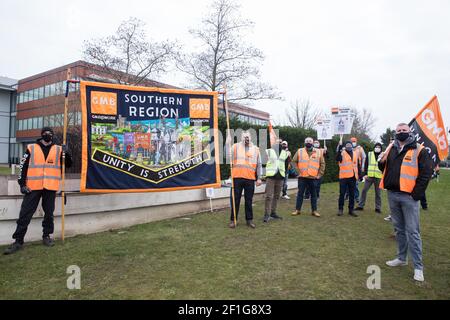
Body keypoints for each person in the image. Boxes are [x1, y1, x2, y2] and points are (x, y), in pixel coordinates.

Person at [4, 127, 72, 255]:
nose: (48, 135)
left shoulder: (58, 149)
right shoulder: (31, 148)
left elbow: (67, 164)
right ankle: (18, 241)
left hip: (50, 187)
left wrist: (66, 153)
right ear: (41, 135)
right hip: (33, 187)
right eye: (46, 134)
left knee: (49, 214)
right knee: (25, 214)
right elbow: (22, 167)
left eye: (50, 134)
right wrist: (22, 184)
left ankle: (46, 236)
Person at [378, 123, 432, 282]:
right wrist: (383, 158)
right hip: (393, 195)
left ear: (410, 132)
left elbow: (426, 173)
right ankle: (401, 258)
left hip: (409, 197)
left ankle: (418, 267)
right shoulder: (392, 148)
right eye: (399, 131)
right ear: (396, 133)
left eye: (404, 130)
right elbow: (385, 169)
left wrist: (416, 195)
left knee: (413, 232)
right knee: (399, 229)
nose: (401, 132)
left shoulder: (419, 149)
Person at [229, 131, 262, 229]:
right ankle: (233, 220)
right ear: (241, 138)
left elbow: (259, 164)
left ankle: (249, 220)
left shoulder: (256, 149)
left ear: (251, 138)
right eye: (244, 137)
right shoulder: (235, 147)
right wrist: (227, 143)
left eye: (248, 137)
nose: (246, 139)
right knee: (235, 200)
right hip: (237, 177)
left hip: (250, 178)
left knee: (249, 200)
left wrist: (259, 178)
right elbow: (228, 157)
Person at [291, 137, 325, 217]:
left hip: (313, 177)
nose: (308, 142)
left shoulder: (319, 152)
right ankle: (297, 210)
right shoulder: (300, 151)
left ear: (313, 143)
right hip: (302, 177)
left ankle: (314, 211)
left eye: (310, 141)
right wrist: (298, 172)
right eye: (307, 141)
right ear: (304, 142)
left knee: (314, 195)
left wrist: (319, 174)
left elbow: (322, 164)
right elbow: (293, 162)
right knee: (300, 194)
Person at [263, 139, 289, 223]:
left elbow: (286, 164)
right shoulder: (268, 151)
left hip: (280, 177)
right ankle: (267, 214)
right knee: (268, 196)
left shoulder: (285, 153)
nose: (279, 143)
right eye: (277, 141)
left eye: (281, 142)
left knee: (277, 196)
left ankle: (273, 213)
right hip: (271, 177)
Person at [355, 142, 383, 213]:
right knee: (364, 190)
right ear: (374, 147)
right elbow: (366, 164)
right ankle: (361, 206)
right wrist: (364, 174)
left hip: (378, 176)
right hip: (369, 176)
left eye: (379, 147)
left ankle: (378, 208)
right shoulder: (370, 154)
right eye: (376, 147)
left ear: (381, 149)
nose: (377, 148)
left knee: (378, 193)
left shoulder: (382, 155)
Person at [336, 138, 361, 217]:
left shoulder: (355, 153)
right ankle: (340, 209)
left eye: (350, 145)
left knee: (352, 194)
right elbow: (337, 158)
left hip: (353, 177)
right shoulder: (342, 153)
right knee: (342, 194)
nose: (349, 146)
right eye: (347, 145)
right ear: (345, 146)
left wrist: (359, 175)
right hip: (343, 177)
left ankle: (351, 210)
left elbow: (358, 165)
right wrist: (340, 147)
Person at [344, 137, 365, 202]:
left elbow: (364, 157)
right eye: (352, 141)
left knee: (355, 184)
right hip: (348, 168)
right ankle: (347, 195)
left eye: (354, 141)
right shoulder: (346, 149)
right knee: (347, 184)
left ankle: (356, 197)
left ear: (356, 141)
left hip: (356, 168)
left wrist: (362, 166)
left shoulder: (359, 148)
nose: (353, 142)